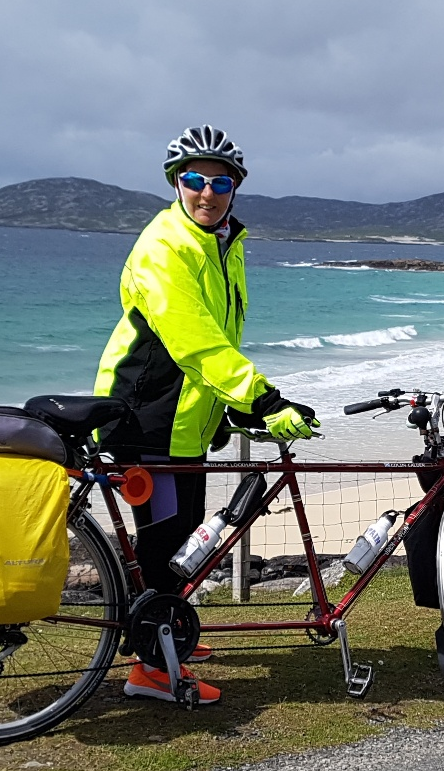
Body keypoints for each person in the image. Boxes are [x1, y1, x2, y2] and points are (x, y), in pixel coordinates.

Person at [93, 124, 321, 704]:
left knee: (185, 540)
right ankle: (151, 670)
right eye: (195, 179)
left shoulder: (222, 243)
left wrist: (227, 411)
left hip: (184, 421)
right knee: (163, 546)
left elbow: (218, 343)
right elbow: (195, 342)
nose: (207, 192)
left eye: (221, 182)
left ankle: (174, 634)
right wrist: (263, 400)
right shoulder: (165, 247)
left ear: (236, 189)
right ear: (176, 182)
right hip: (145, 420)